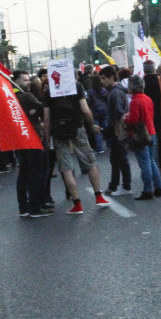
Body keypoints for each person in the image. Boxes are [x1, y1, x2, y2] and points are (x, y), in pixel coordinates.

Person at [44, 73, 109, 214]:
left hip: (58, 132)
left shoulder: (49, 91)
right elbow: (85, 109)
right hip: (77, 128)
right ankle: (99, 197)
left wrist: (47, 138)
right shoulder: (76, 86)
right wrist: (92, 125)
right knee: (90, 162)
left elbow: (47, 118)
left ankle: (77, 204)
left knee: (66, 168)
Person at [12, 70, 51, 218]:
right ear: (16, 81)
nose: (29, 82)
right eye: (25, 80)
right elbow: (43, 110)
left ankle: (24, 207)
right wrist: (35, 111)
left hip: (20, 139)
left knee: (23, 173)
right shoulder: (26, 96)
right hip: (33, 137)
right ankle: (36, 206)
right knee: (36, 173)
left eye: (29, 80)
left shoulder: (11, 98)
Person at [124, 75, 161, 200]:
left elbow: (134, 120)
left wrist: (126, 119)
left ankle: (147, 190)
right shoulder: (147, 98)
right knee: (151, 161)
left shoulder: (135, 101)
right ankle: (159, 186)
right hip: (151, 131)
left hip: (140, 135)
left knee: (144, 164)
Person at [99, 66, 133, 196]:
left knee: (121, 158)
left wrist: (117, 129)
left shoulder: (115, 93)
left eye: (104, 78)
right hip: (115, 129)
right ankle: (114, 185)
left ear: (111, 77)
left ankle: (126, 185)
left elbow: (119, 113)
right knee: (115, 158)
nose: (102, 82)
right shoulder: (116, 91)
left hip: (117, 130)